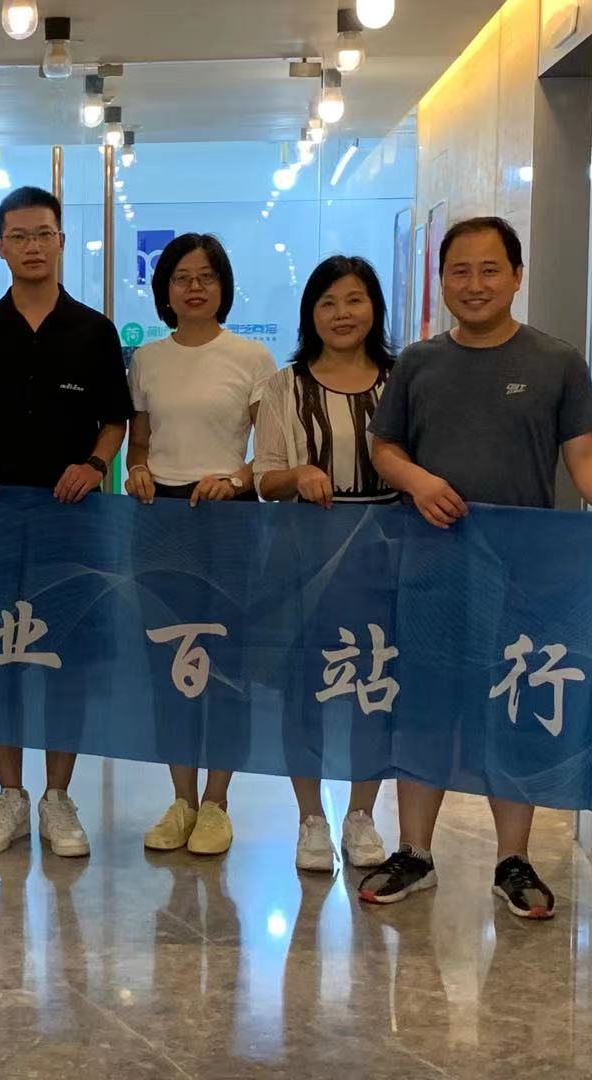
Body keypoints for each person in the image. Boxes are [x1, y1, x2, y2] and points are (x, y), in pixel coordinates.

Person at [363, 216, 592, 919]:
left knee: (513, 706)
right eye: (459, 271)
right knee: (425, 709)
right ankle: (415, 853)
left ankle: (514, 860)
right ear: (442, 281)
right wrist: (418, 482)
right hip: (431, 565)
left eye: (490, 269)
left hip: (524, 573)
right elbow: (385, 449)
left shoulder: (555, 361)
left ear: (517, 276)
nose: (475, 284)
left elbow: (583, 454)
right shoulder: (418, 364)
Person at [0, 186, 133, 859]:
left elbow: (114, 419)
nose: (32, 246)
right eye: (18, 236)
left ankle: (58, 798)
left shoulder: (94, 331)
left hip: (72, 521)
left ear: (61, 241)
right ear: (0, 246)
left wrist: (96, 464)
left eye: (43, 233)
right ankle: (11, 795)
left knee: (66, 658)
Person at [124, 232, 275, 857]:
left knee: (227, 662)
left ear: (223, 286)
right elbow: (139, 443)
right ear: (164, 289)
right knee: (169, 661)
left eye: (206, 276)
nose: (194, 287)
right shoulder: (146, 359)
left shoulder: (252, 357)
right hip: (160, 518)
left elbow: (271, 453)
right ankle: (181, 799)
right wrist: (135, 471)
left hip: (228, 516)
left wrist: (236, 480)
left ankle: (217, 802)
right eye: (181, 277)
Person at [253, 254, 397, 873]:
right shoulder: (284, 386)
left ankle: (362, 814)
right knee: (303, 690)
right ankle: (311, 818)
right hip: (302, 559)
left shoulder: (402, 380)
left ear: (374, 309)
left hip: (383, 559)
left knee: (375, 685)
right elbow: (263, 479)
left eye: (355, 299)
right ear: (310, 314)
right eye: (328, 302)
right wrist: (298, 475)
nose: (342, 314)